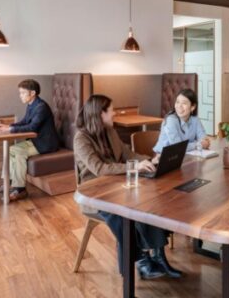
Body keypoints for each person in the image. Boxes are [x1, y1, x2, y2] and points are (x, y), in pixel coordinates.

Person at [73, 94, 183, 280]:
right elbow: (99, 169)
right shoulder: (81, 138)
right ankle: (141, 259)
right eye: (111, 110)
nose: (114, 113)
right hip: (95, 194)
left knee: (151, 201)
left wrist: (150, 161)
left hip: (118, 185)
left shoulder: (109, 131)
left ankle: (158, 256)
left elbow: (127, 153)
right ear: (100, 114)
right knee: (121, 213)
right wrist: (134, 167)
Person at [0, 79, 59, 202]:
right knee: (10, 150)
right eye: (20, 93)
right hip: (36, 141)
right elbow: (24, 121)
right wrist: (9, 126)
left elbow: (32, 127)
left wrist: (10, 130)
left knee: (18, 151)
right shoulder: (31, 104)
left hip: (46, 144)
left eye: (23, 93)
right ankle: (8, 183)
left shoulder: (41, 107)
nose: (20, 96)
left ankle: (20, 190)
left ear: (32, 93)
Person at [153, 88, 210, 156]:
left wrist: (202, 143)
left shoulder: (195, 120)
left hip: (185, 155)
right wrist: (197, 144)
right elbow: (178, 147)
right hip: (162, 157)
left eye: (184, 103)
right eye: (177, 102)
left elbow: (204, 140)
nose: (179, 106)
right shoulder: (170, 120)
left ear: (192, 107)